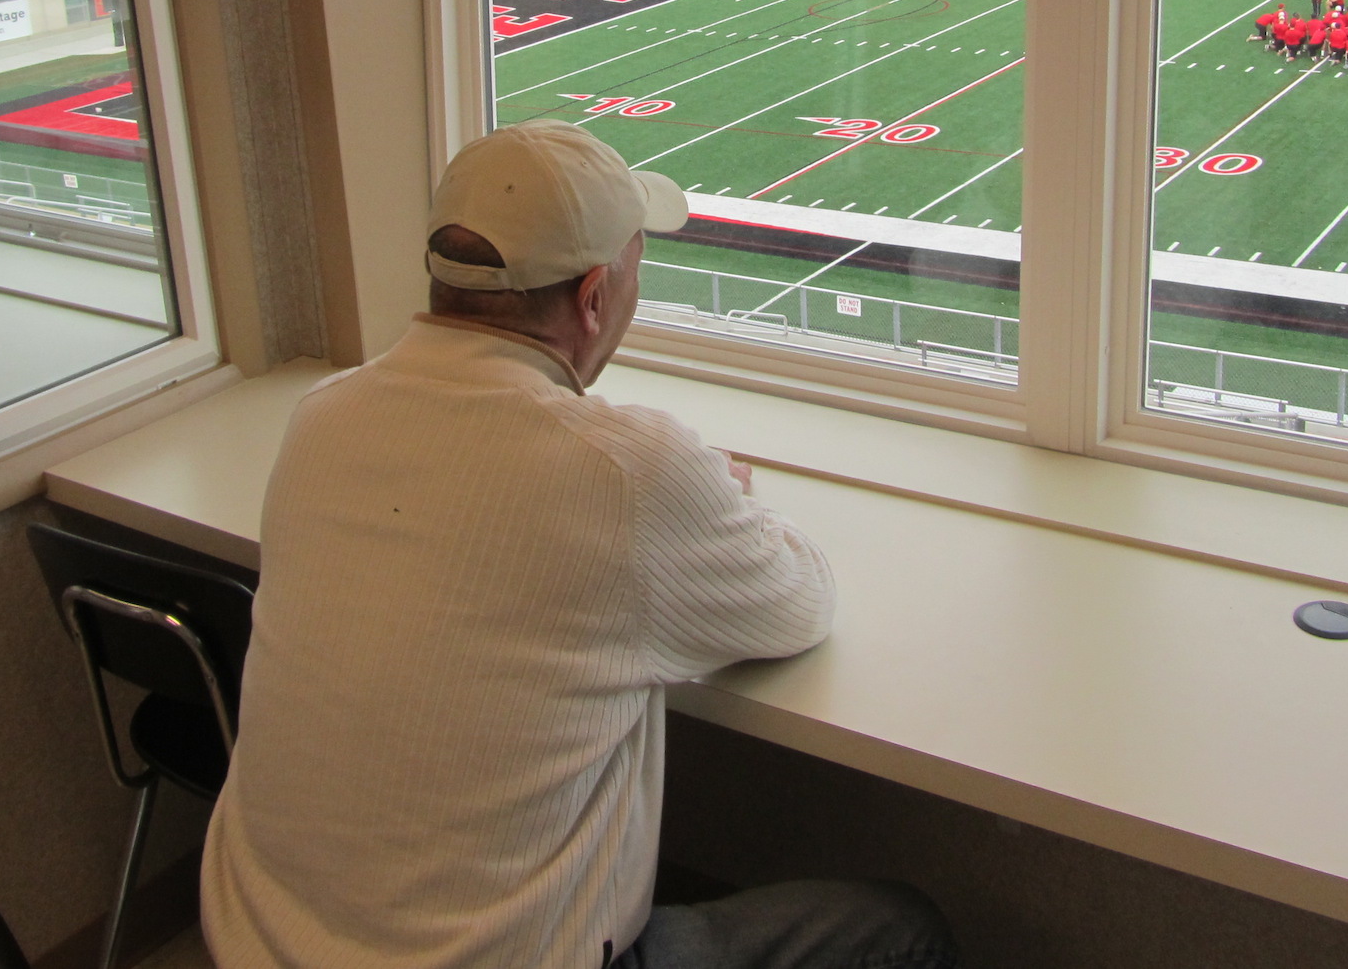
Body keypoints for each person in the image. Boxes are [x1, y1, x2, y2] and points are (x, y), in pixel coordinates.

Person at [204, 120, 959, 969]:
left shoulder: (322, 417)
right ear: (595, 296)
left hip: (264, 943)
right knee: (901, 928)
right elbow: (801, 602)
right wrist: (713, 499)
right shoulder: (622, 471)